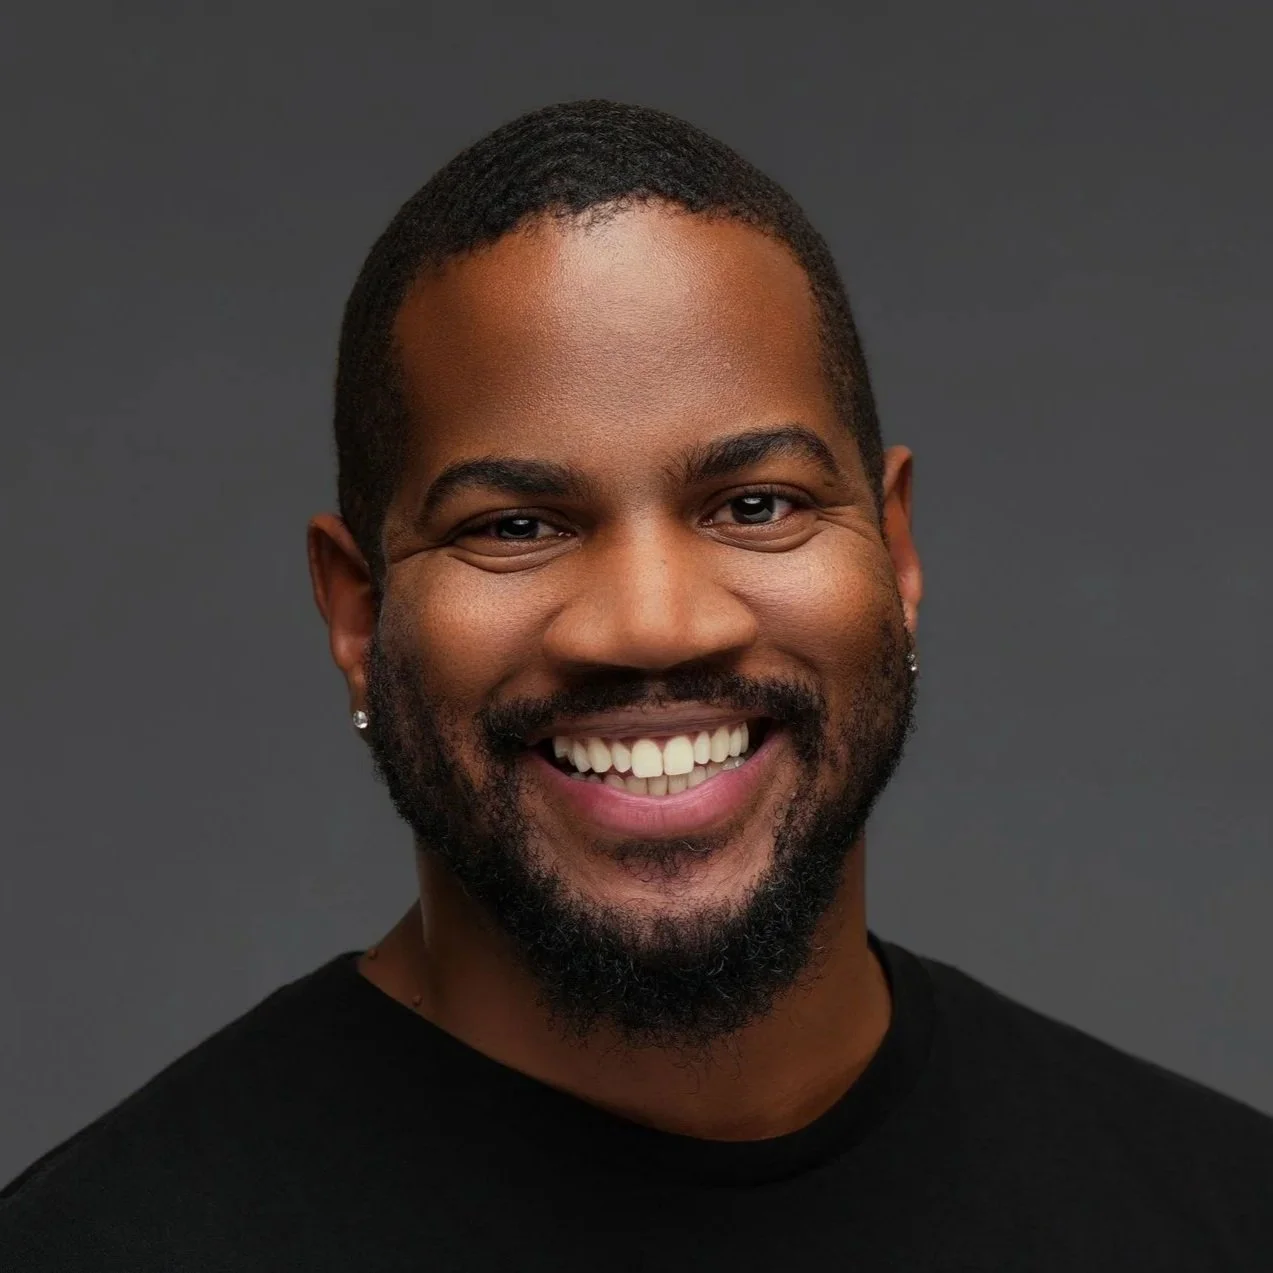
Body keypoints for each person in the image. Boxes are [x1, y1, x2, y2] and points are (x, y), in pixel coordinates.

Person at [2, 98, 1270, 1272]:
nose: (653, 623)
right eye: (514, 526)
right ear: (358, 611)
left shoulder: (1219, 1211)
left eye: (756, 504)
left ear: (894, 554)